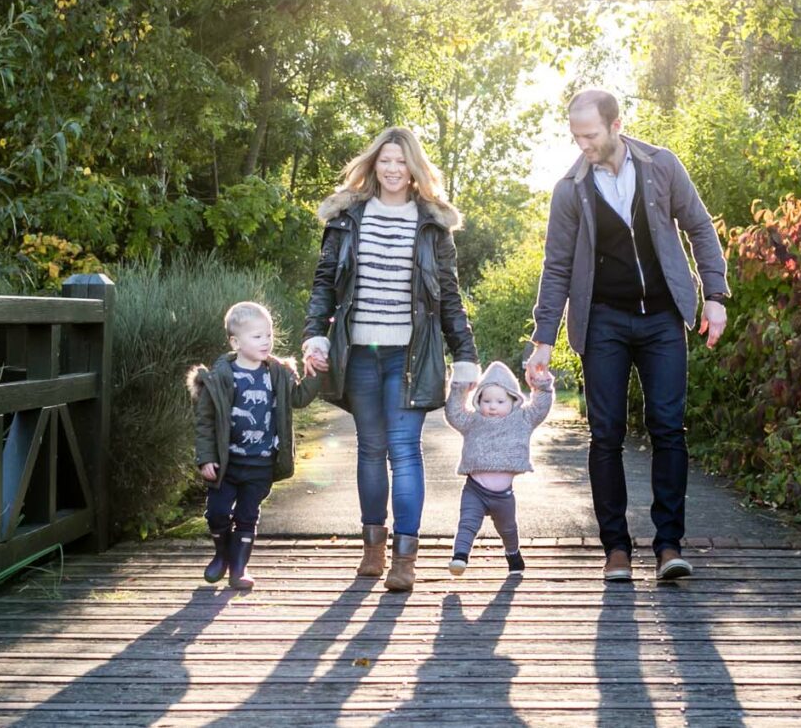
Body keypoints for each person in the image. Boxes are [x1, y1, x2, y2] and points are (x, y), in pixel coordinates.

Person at [525, 88, 729, 582]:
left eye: (590, 134)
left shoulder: (662, 166)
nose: (582, 144)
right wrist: (543, 337)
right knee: (606, 434)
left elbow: (700, 228)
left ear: (616, 126)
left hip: (662, 318)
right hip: (603, 322)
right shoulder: (570, 189)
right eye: (575, 136)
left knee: (667, 427)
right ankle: (615, 548)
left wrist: (715, 296)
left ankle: (668, 546)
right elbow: (555, 268)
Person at [302, 126, 479, 592]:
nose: (393, 169)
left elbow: (449, 298)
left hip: (411, 355)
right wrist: (314, 336)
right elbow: (324, 284)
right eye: (386, 161)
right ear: (373, 165)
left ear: (414, 168)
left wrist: (465, 356)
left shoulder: (431, 224)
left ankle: (405, 558)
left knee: (404, 452)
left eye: (402, 161)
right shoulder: (347, 219)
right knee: (369, 450)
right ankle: (372, 548)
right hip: (359, 352)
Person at [187, 301, 319, 590]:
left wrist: (315, 375)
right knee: (217, 512)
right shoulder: (220, 378)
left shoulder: (278, 374)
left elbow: (298, 399)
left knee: (248, 516)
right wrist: (206, 457)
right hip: (227, 463)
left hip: (261, 463)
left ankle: (239, 567)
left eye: (269, 335)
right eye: (257, 336)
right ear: (235, 342)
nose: (266, 342)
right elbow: (206, 422)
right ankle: (221, 555)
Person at [444, 360, 553, 577]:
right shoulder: (473, 420)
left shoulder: (522, 419)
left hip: (503, 495)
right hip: (474, 489)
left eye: (500, 401)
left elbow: (540, 408)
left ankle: (513, 554)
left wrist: (541, 386)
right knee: (467, 523)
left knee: (508, 528)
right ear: (478, 400)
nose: (492, 406)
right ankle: (460, 557)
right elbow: (454, 413)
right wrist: (459, 388)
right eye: (486, 400)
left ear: (513, 400)